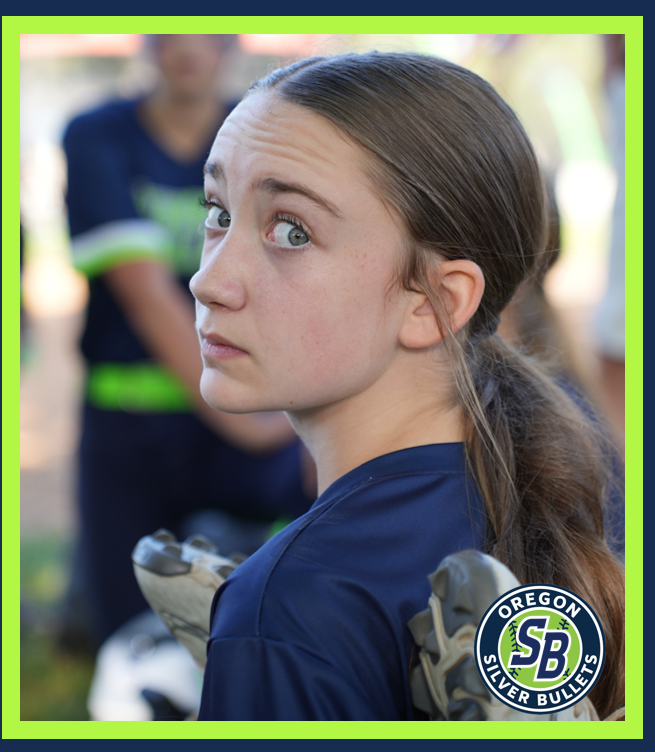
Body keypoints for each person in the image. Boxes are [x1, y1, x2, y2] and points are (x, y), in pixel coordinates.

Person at [188, 52, 625, 721]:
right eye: (218, 211)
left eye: (290, 231)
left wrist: (267, 645)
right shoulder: (528, 499)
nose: (209, 281)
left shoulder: (291, 601)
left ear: (434, 302)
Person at [62, 34, 313, 650]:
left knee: (279, 622)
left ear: (232, 43)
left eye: (209, 31)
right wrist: (264, 427)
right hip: (137, 419)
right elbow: (145, 294)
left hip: (247, 407)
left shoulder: (265, 131)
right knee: (129, 639)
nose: (189, 46)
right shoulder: (97, 135)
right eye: (171, 29)